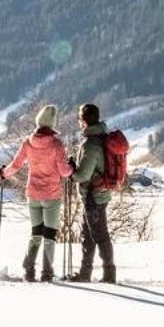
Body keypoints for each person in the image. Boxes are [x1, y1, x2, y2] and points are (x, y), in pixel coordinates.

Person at [2, 104, 72, 282]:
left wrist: (4, 172)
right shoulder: (56, 145)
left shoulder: (27, 143)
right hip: (52, 196)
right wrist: (72, 167)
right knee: (49, 236)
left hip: (33, 194)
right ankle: (47, 273)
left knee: (36, 233)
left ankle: (29, 269)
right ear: (52, 123)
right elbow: (64, 172)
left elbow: (16, 165)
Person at [70, 102, 116, 283]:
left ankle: (109, 274)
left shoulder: (90, 144)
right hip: (98, 194)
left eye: (80, 118)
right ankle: (85, 273)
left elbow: (83, 175)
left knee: (99, 235)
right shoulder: (102, 138)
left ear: (84, 120)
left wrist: (72, 171)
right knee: (89, 235)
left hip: (93, 197)